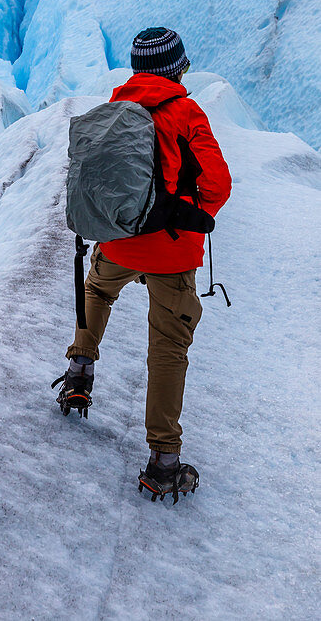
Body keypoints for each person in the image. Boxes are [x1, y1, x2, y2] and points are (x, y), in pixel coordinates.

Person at [60, 27, 231, 501]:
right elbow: (217, 185)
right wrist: (185, 217)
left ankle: (78, 374)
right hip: (171, 253)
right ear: (176, 68)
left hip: (116, 239)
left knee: (97, 290)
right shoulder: (186, 112)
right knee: (168, 347)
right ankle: (164, 462)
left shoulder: (117, 107)